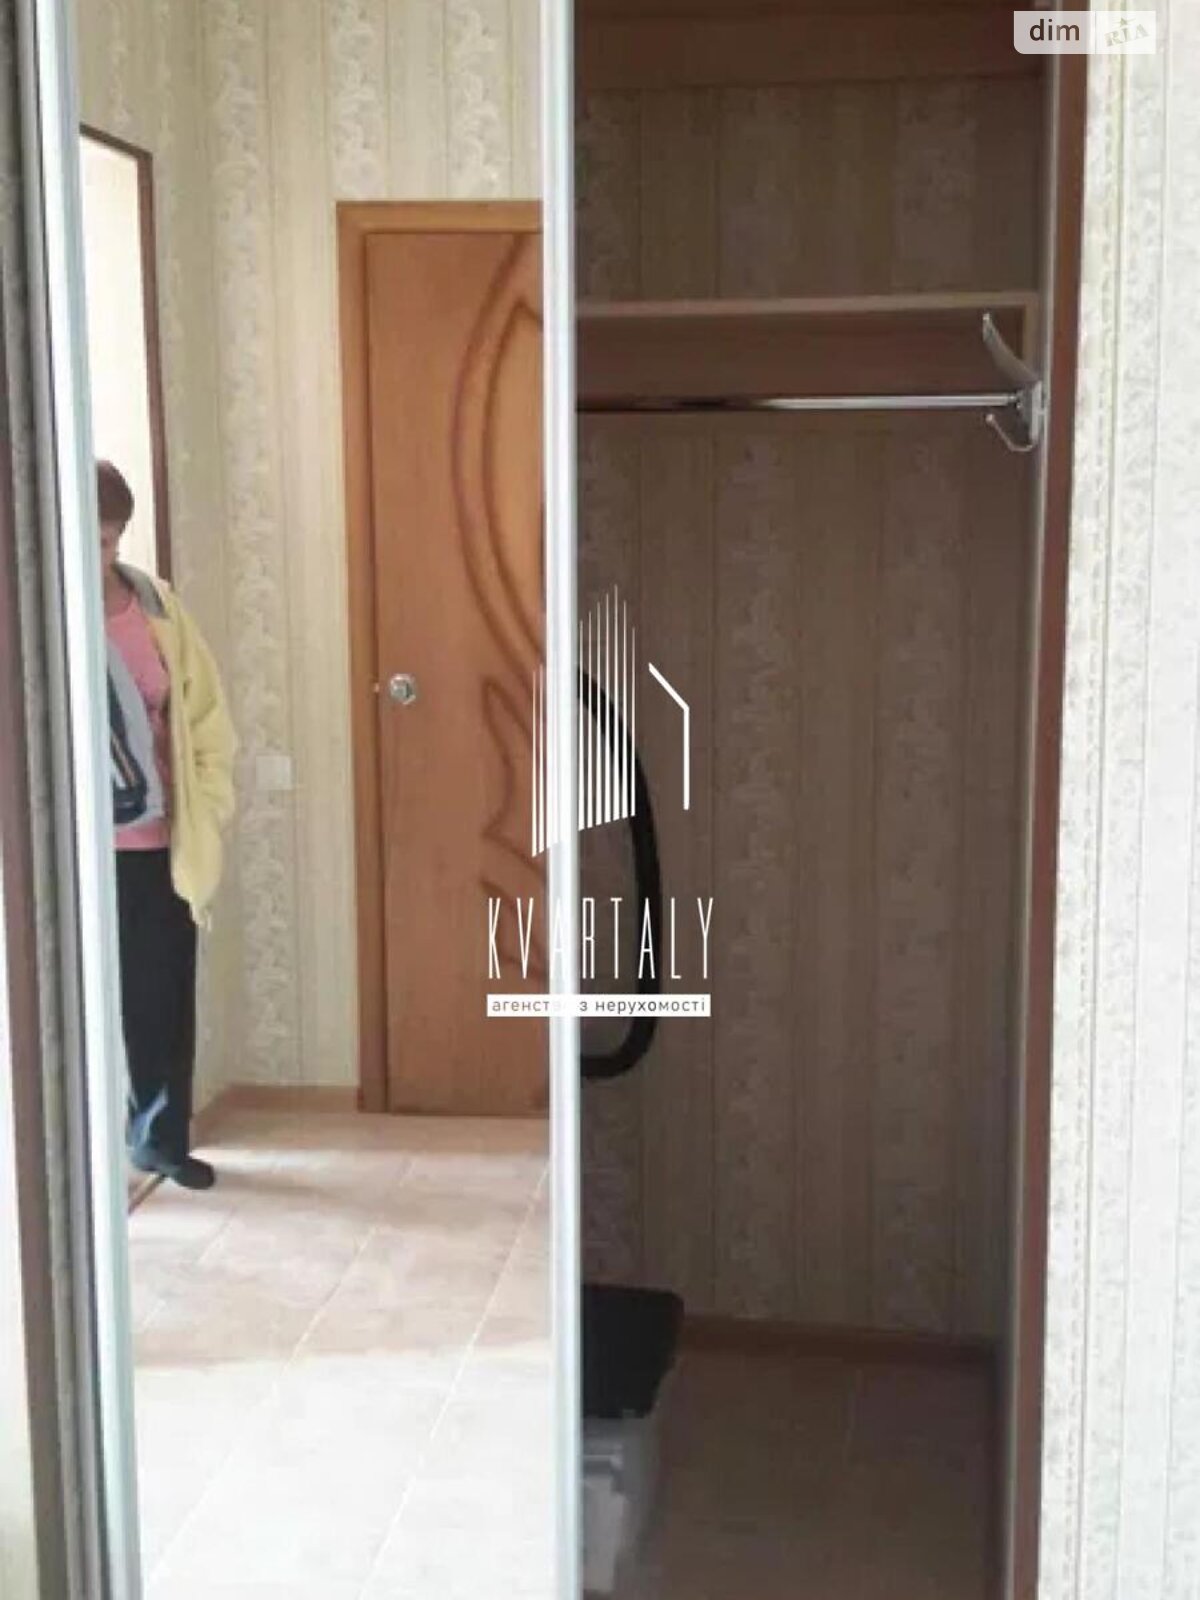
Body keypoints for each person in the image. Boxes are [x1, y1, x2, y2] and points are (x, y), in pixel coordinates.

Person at [100, 460, 236, 1190]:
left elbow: (204, 712)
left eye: (109, 538)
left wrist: (208, 802)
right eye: (87, 537)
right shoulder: (40, 609)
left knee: (162, 998)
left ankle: (159, 1140)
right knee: (86, 1003)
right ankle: (86, 1158)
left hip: (159, 838)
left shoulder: (154, 605)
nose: (99, 554)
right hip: (81, 848)